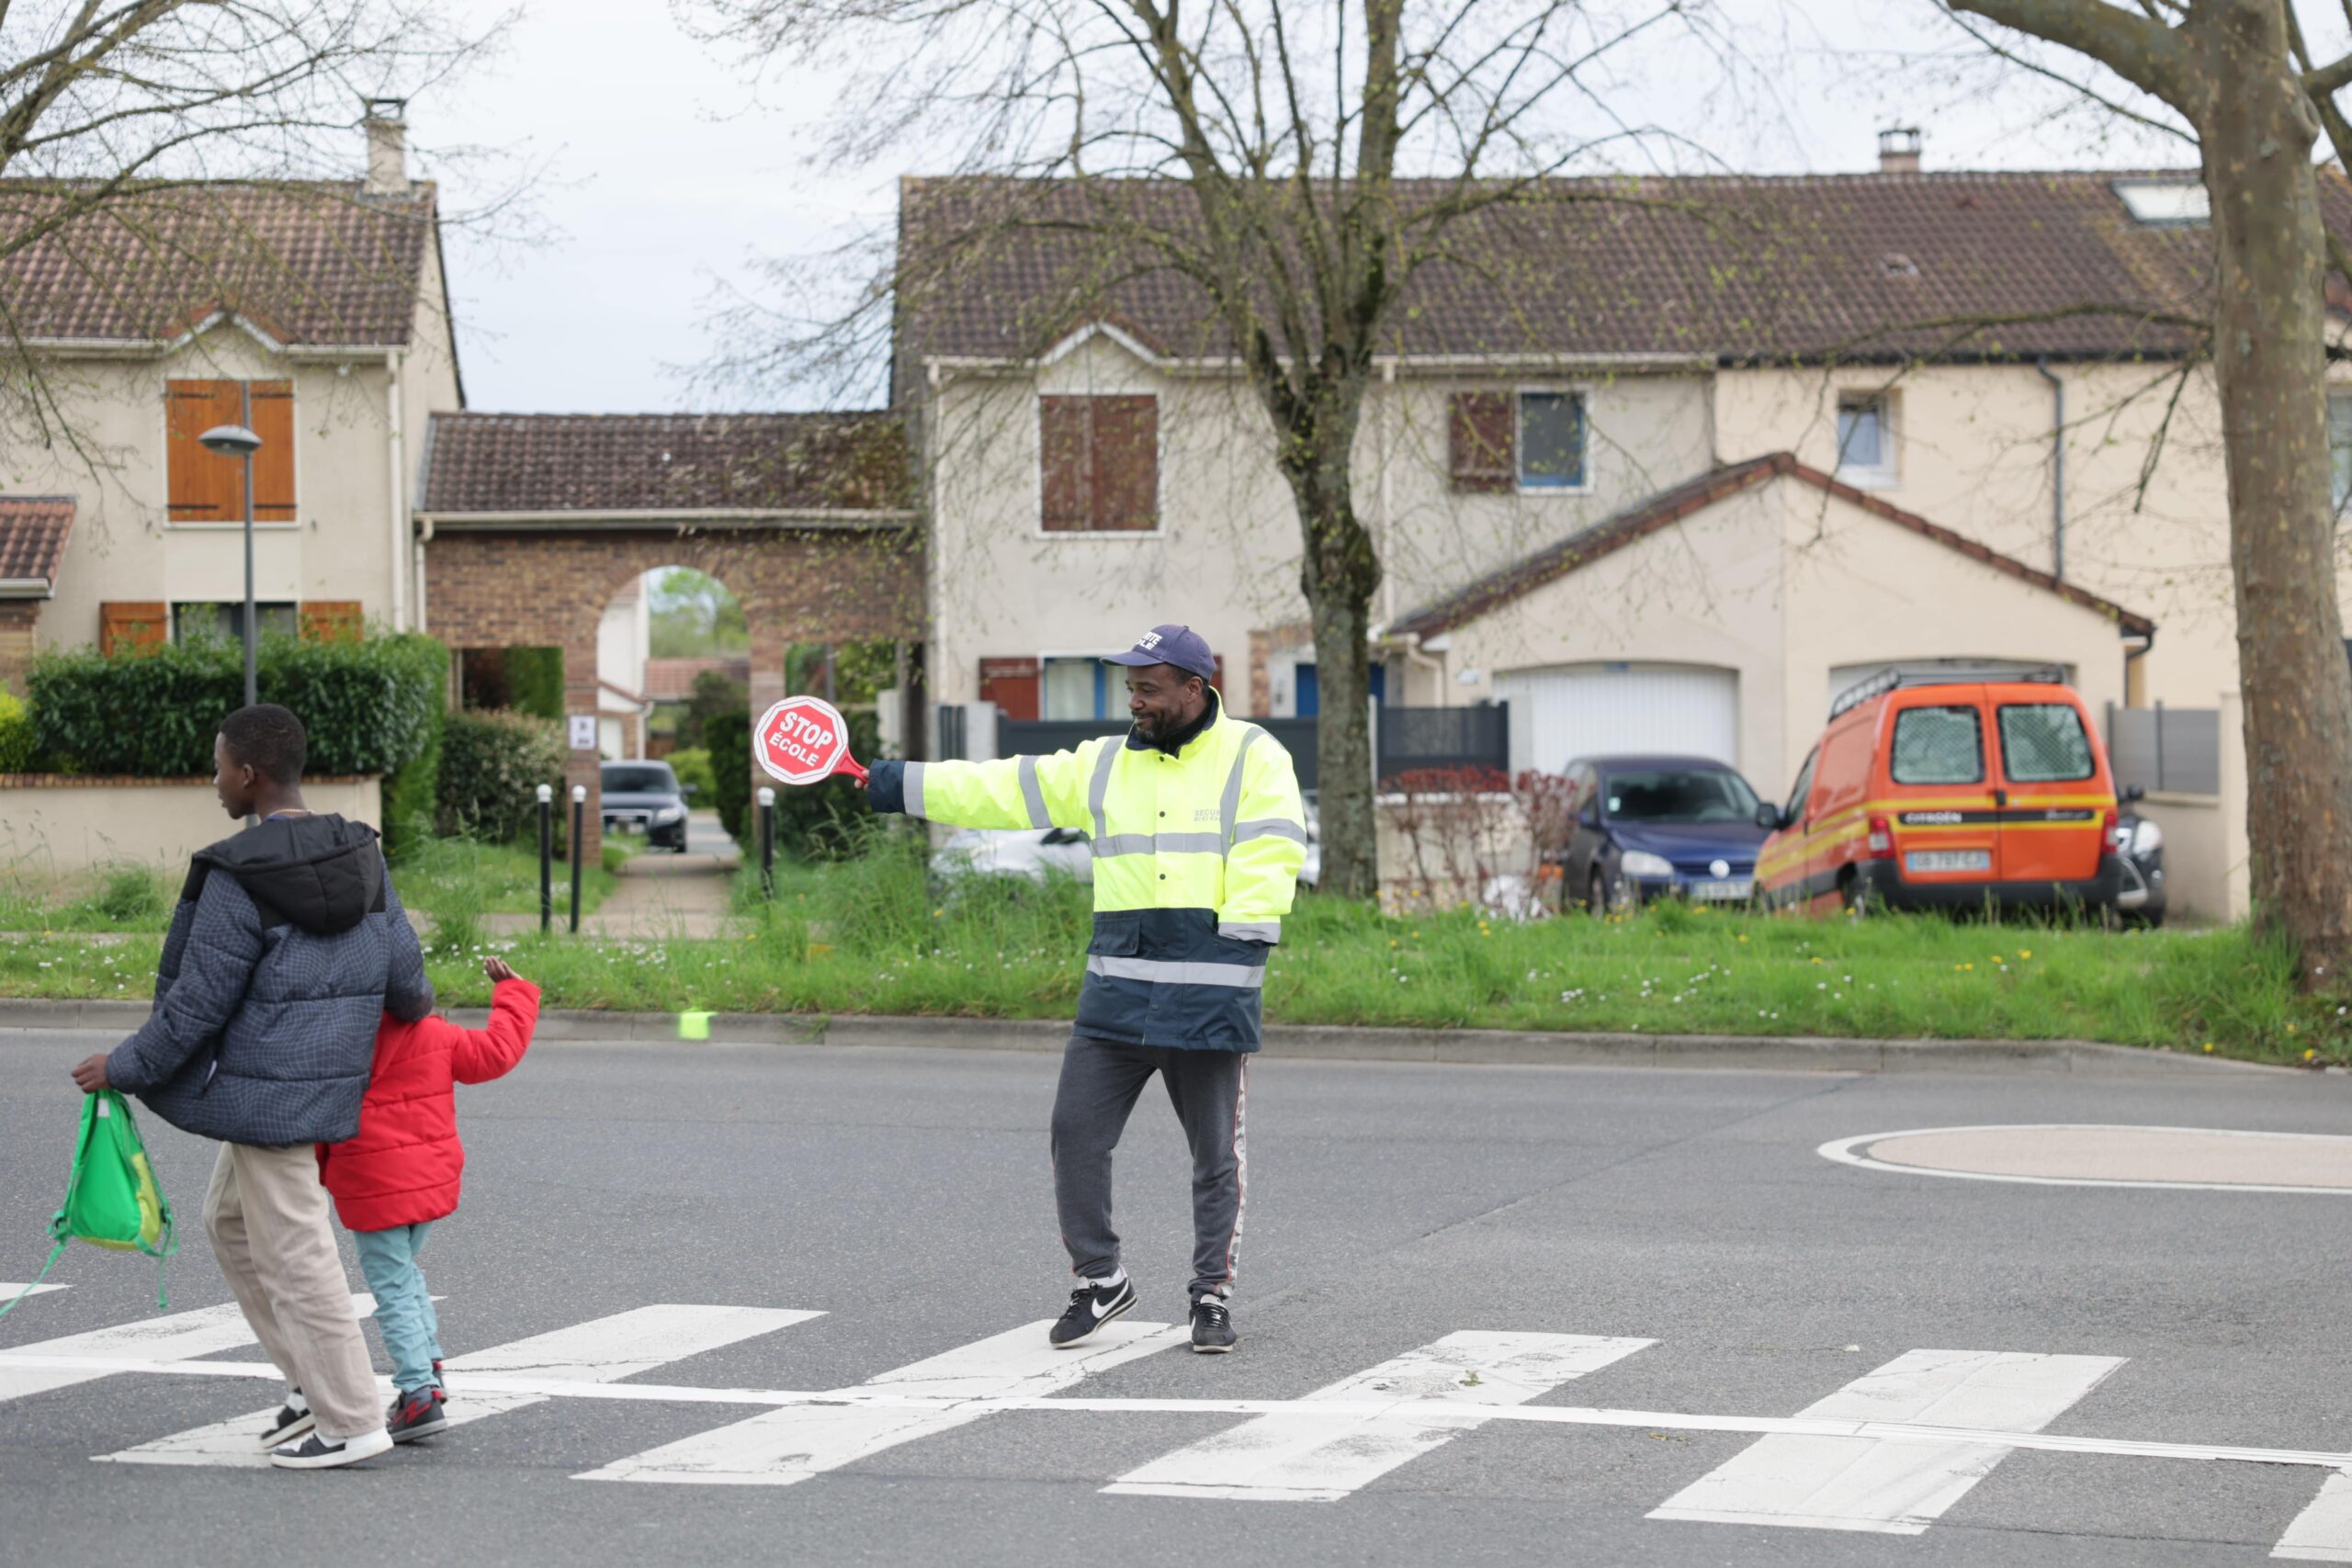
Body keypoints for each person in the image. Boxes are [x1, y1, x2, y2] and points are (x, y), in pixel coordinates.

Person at [864, 624, 1306, 1353]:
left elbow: (1272, 848)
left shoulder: (1253, 754)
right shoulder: (1102, 765)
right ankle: (1100, 1280)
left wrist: (1239, 944)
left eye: (1147, 687)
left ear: (1195, 689)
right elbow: (998, 787)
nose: (1133, 699)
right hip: (1118, 995)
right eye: (1129, 686)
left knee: (1214, 1158)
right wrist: (889, 782)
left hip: (1207, 994)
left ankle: (1211, 1294)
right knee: (1075, 1134)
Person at [70, 704, 433, 1471]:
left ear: (249, 774)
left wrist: (123, 1065)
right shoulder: (364, 854)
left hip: (269, 1095)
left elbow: (196, 1004)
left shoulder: (240, 874)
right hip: (321, 1083)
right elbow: (410, 984)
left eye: (218, 766)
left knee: (299, 1248)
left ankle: (351, 1415)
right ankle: (310, 1381)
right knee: (229, 1220)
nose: (213, 781)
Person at [318, 954, 540, 1443]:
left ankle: (417, 1392)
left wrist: (319, 1171)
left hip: (371, 1185)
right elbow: (498, 1052)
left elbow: (317, 1117)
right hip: (429, 1182)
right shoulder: (437, 1036)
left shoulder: (337, 1046)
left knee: (393, 1286)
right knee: (407, 1276)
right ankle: (430, 1366)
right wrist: (514, 994)